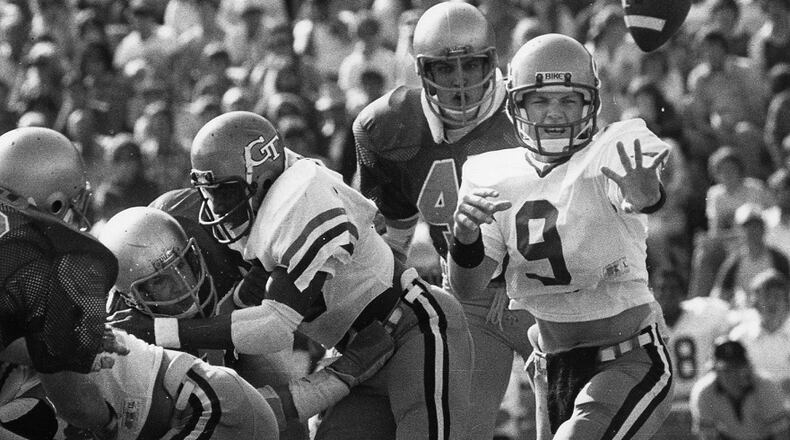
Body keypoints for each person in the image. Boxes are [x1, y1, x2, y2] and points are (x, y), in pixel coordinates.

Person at [110, 110, 473, 440]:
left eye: (223, 193)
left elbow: (274, 328)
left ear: (263, 182)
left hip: (414, 328)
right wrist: (340, 373)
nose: (214, 207)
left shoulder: (300, 197)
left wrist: (160, 330)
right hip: (360, 350)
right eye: (208, 193)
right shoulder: (268, 205)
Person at [448, 33, 674, 440]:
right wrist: (462, 240)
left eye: (568, 100)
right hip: (551, 368)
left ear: (590, 104)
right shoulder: (488, 172)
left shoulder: (613, 146)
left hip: (628, 358)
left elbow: (643, 194)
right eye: (540, 101)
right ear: (517, 104)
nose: (554, 114)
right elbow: (467, 287)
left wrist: (645, 192)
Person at [353, 3, 532, 438]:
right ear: (420, 69)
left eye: (472, 66)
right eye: (445, 69)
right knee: (456, 431)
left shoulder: (529, 111)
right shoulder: (387, 127)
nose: (461, 82)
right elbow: (390, 238)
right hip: (469, 294)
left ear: (492, 62)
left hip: (550, 289)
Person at [92, 206, 397, 439]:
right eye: (160, 281)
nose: (181, 283)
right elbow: (245, 413)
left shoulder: (212, 249)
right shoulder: (126, 342)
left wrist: (243, 295)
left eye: (182, 265)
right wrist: (343, 374)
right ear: (131, 295)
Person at [0, 127, 128, 439]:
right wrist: (110, 423)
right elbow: (74, 404)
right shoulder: (39, 260)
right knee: (44, 419)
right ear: (54, 203)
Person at [689, 338, 790, 440]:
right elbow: (707, 436)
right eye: (726, 369)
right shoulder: (704, 392)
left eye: (738, 366)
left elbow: (782, 434)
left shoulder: (766, 386)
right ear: (714, 370)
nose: (733, 374)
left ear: (747, 367)